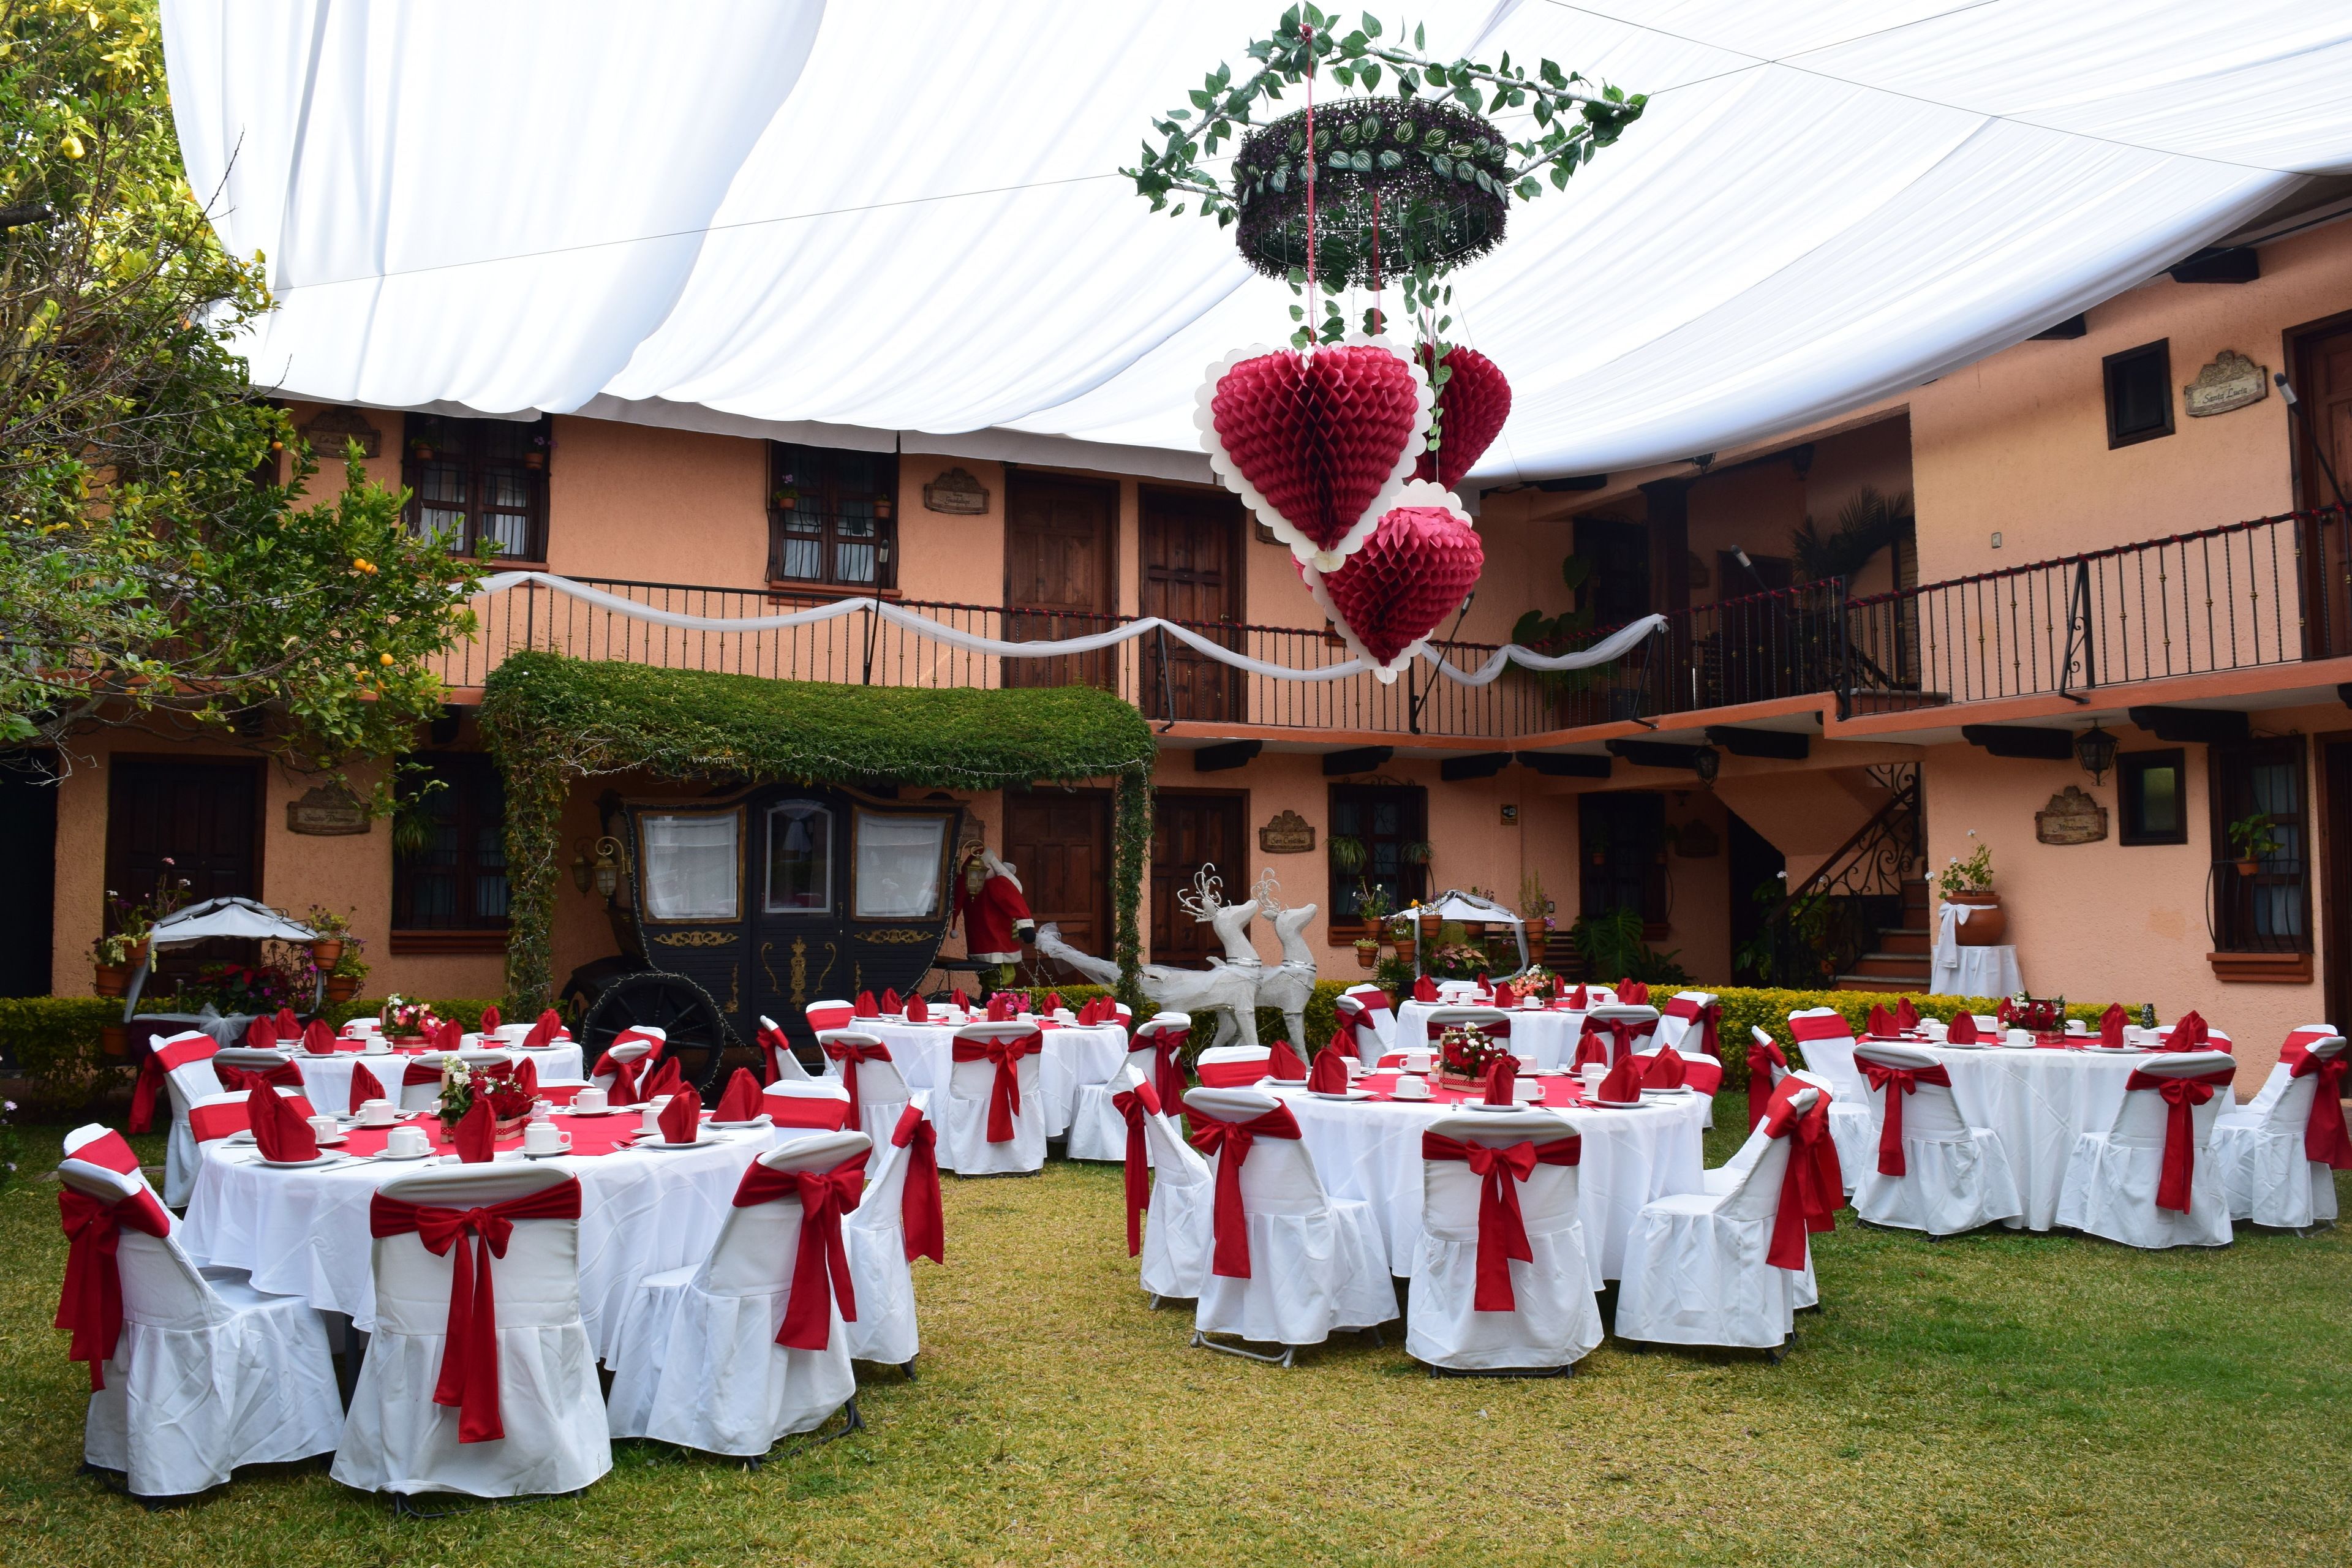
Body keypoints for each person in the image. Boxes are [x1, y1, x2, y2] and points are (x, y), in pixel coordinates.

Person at [951, 844, 1035, 990]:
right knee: (1003, 979)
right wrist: (1026, 927)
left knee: (989, 980)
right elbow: (1016, 905)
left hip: (979, 945)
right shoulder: (998, 884)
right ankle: (997, 1001)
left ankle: (989, 998)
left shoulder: (968, 888)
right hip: (1000, 944)